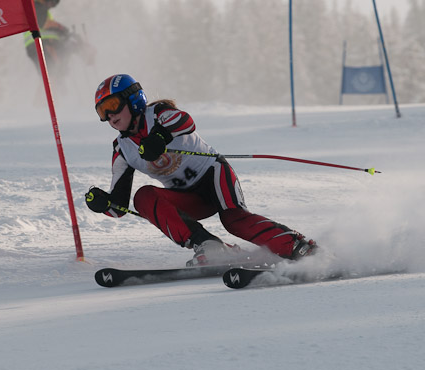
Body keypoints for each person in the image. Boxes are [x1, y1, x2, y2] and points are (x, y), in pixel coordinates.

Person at [85, 74, 316, 266]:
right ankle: (209, 245)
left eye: (112, 106)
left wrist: (159, 137)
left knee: (234, 220)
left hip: (213, 176)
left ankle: (298, 247)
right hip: (187, 198)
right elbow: (119, 208)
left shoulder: (157, 114)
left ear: (133, 99)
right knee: (144, 197)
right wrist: (104, 203)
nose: (109, 117)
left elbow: (185, 121)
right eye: (102, 112)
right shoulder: (122, 149)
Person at [25, 0, 93, 73]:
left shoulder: (37, 7)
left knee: (53, 74)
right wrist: (63, 30)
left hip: (39, 43)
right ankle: (87, 54)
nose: (50, 7)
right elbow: (45, 24)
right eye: (51, 3)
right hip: (44, 43)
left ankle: (86, 54)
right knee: (53, 73)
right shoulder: (37, 6)